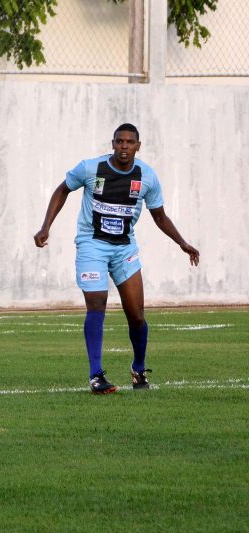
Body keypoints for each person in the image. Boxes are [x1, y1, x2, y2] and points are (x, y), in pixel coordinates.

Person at [34, 123, 200, 394]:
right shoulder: (90, 168)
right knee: (97, 303)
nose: (124, 147)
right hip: (92, 244)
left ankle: (138, 368)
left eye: (130, 142)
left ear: (138, 146)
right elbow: (62, 189)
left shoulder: (147, 176)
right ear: (112, 144)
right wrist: (45, 226)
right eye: (119, 142)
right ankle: (96, 376)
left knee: (136, 316)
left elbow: (159, 215)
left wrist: (182, 243)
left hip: (125, 249)